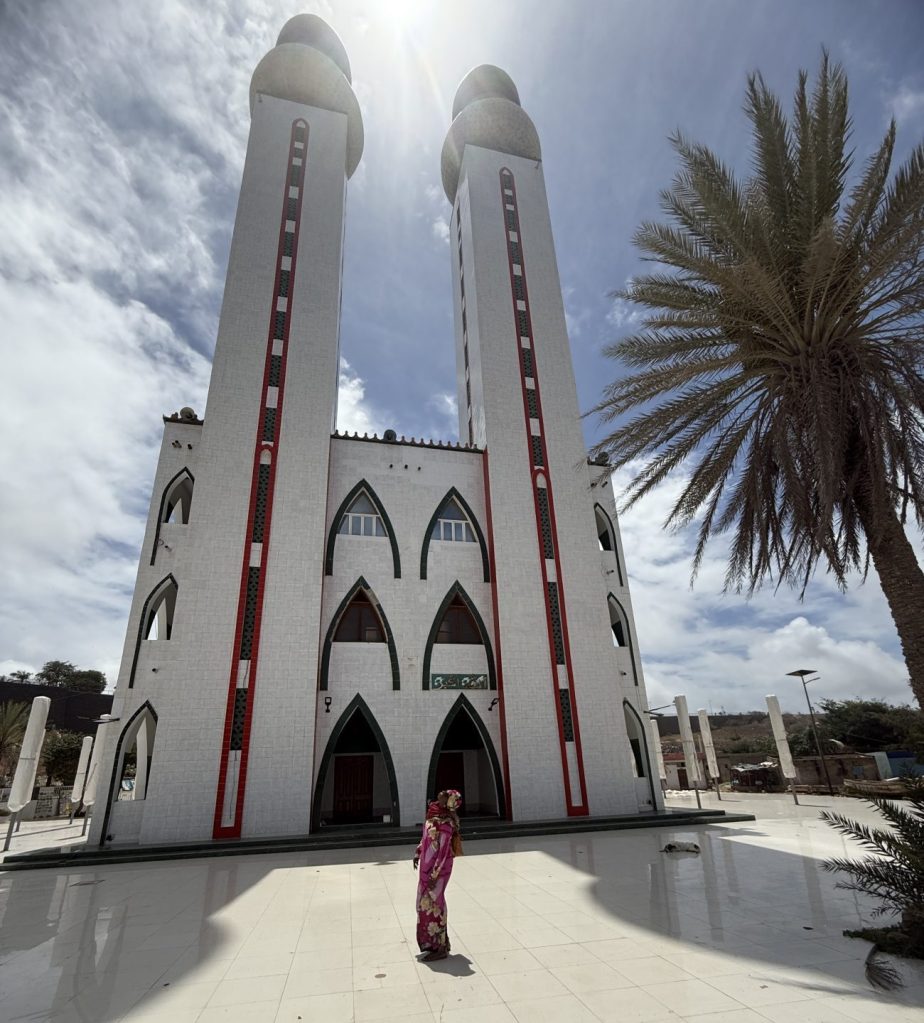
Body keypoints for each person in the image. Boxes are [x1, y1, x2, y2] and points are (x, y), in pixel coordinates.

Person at [413, 788, 461, 961]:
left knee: (435, 903)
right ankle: (441, 941)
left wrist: (435, 876)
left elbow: (442, 852)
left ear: (449, 801)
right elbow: (426, 838)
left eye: (445, 794)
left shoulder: (447, 823)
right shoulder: (433, 814)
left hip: (439, 869)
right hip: (427, 865)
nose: (440, 794)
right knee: (425, 902)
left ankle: (439, 947)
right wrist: (418, 852)